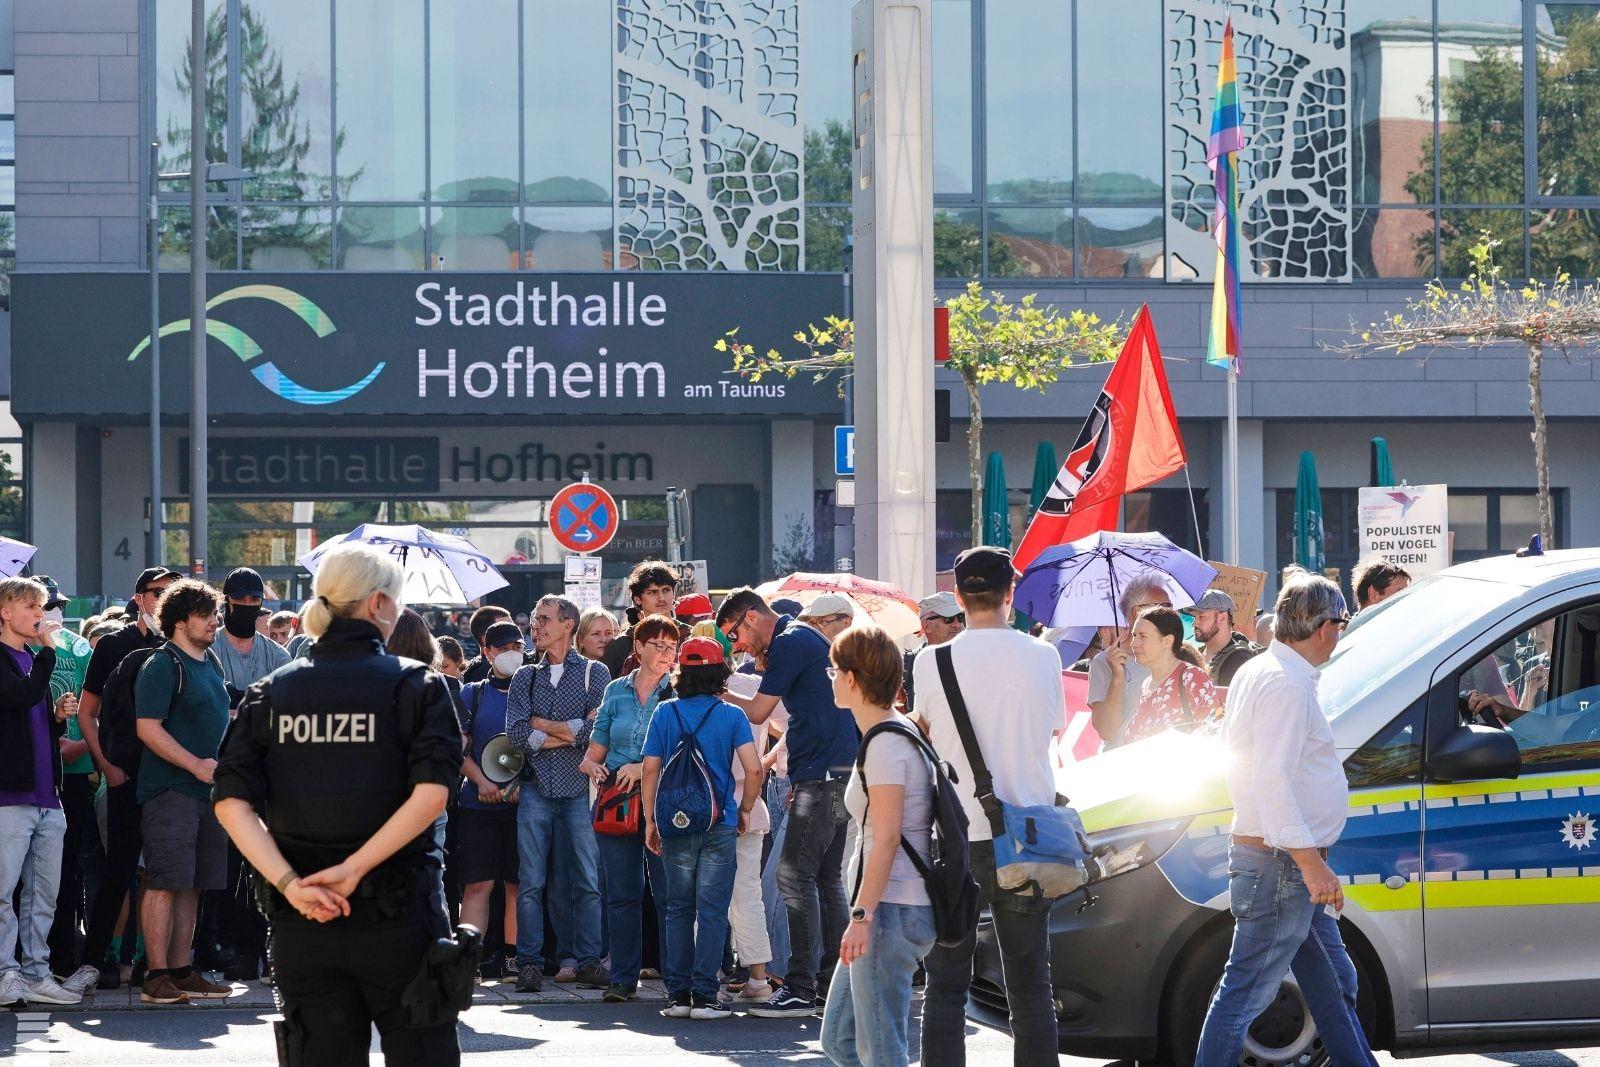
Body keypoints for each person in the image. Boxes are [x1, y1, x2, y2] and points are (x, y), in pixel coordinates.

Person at [213, 542, 467, 1065]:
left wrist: (288, 884)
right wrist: (352, 870)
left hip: (302, 919)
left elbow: (231, 803)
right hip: (400, 916)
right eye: (395, 602)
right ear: (377, 604)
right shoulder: (418, 685)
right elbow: (432, 795)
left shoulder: (268, 692)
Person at [1194, 575, 1376, 1067]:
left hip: (1285, 862)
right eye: (1340, 624)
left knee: (1336, 981)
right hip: (1281, 865)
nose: (1340, 634)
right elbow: (1271, 781)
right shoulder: (1285, 684)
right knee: (1244, 995)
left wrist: (1310, 862)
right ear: (1323, 627)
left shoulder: (1269, 671)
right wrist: (1311, 865)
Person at [915, 546, 1064, 1067]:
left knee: (946, 986)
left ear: (958, 597)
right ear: (1011, 593)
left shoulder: (931, 660)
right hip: (1027, 836)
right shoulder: (1044, 656)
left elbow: (926, 736)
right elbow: (1050, 731)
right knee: (1030, 988)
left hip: (957, 839)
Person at [718, 588, 860, 1018]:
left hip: (820, 774)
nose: (737, 646)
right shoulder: (802, 638)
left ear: (751, 617)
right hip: (836, 770)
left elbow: (758, 713)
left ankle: (801, 987)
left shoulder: (789, 641)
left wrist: (711, 688)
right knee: (825, 880)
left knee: (795, 879)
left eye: (735, 634)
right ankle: (831, 983)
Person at [820, 624, 937, 1067]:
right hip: (888, 908)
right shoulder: (894, 732)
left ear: (852, 679)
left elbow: (886, 837)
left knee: (882, 1051)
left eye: (833, 669)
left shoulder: (887, 742)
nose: (829, 677)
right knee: (840, 1041)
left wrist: (862, 916)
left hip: (888, 911)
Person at [641, 636, 759, 1021]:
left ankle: (677, 997)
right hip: (718, 820)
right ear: (719, 673)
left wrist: (650, 819)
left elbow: (649, 769)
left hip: (674, 822)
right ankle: (706, 997)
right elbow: (754, 769)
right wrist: (744, 809)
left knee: (677, 908)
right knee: (712, 910)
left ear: (682, 673)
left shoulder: (664, 713)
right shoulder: (731, 715)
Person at [133, 579, 234, 1005]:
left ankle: (181, 970)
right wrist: (195, 764)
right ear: (178, 622)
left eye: (216, 613)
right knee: (165, 882)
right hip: (170, 791)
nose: (215, 621)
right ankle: (156, 977)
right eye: (205, 615)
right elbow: (147, 728)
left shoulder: (210, 661)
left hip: (207, 792)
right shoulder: (161, 664)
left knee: (192, 884)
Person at [78, 566, 179, 990]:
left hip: (171, 777)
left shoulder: (183, 647)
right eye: (158, 592)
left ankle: (152, 962)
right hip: (124, 773)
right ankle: (94, 958)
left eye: (174, 592)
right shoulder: (115, 645)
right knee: (118, 871)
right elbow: (87, 712)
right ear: (139, 598)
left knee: (164, 873)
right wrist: (106, 765)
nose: (166, 599)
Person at [506, 595, 611, 993]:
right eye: (534, 619)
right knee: (530, 881)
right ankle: (530, 964)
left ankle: (588, 961)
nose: (536, 626)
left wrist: (541, 726)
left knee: (587, 880)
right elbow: (516, 734)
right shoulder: (524, 677)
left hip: (579, 792)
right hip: (535, 789)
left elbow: (594, 731)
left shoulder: (595, 673)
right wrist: (566, 730)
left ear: (568, 625)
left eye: (544, 619)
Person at [580, 614, 677, 1002]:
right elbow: (596, 746)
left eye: (671, 647)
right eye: (658, 644)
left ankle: (677, 981)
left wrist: (644, 766)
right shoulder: (616, 690)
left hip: (665, 799)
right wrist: (591, 764)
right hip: (617, 800)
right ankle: (623, 978)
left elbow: (687, 747)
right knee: (621, 894)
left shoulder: (678, 690)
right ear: (637, 647)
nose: (666, 653)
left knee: (669, 895)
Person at [0, 577, 84, 1007]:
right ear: (6, 612)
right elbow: (15, 698)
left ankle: (36, 972)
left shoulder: (33, 657)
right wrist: (50, 654)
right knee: (3, 891)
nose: (40, 613)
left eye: (42, 606)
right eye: (31, 605)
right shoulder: (18, 658)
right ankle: (5, 972)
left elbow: (28, 716)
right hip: (9, 796)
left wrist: (55, 717)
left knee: (43, 892)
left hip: (47, 794)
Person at [206, 567, 290, 981]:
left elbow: (282, 711)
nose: (246, 608)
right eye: (238, 602)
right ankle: (231, 946)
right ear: (226, 602)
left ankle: (267, 947)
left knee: (266, 865)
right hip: (214, 771)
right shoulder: (208, 647)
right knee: (220, 869)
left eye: (253, 602)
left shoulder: (277, 656)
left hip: (266, 774)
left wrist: (239, 704)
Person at [35, 575, 101, 985]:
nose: (54, 613)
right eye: (45, 605)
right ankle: (29, 959)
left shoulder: (79, 648)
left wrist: (80, 744)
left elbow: (93, 705)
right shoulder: (15, 648)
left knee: (67, 869)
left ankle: (63, 955)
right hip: (29, 776)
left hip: (72, 774)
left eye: (57, 604)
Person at [455, 621, 526, 985]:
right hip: (478, 803)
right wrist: (480, 781)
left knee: (516, 883)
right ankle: (471, 956)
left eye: (517, 644)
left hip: (520, 803)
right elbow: (458, 746)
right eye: (502, 647)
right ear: (487, 652)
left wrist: (519, 785)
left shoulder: (532, 690)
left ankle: (514, 957)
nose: (511, 651)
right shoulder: (472, 694)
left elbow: (539, 745)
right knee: (478, 884)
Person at [1087, 576, 1172, 748]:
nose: (1171, 613)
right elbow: (1107, 731)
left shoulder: (1175, 653)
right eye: (1163, 607)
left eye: (1170, 607)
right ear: (1137, 612)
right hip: (1121, 764)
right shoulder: (1106, 661)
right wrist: (1117, 678)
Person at [1122, 606, 1221, 744]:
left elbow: (1213, 732)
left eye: (1143, 636)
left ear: (1168, 641)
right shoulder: (1146, 684)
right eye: (1134, 635)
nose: (1134, 643)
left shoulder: (1192, 677)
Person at [602, 561, 678, 678]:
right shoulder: (622, 644)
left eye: (666, 590)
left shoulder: (689, 635)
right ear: (638, 599)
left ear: (674, 593)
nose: (662, 598)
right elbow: (610, 691)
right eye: (652, 592)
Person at [900, 592, 965, 711]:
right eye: (948, 619)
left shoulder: (972, 662)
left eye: (961, 617)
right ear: (926, 626)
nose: (957, 625)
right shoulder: (905, 667)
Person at [1184, 590, 1262, 688]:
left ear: (1223, 618)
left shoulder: (1240, 660)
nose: (1194, 623)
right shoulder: (1194, 655)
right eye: (1194, 617)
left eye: (1201, 616)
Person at [461, 605, 514, 685]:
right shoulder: (485, 672)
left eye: (513, 629)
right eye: (506, 631)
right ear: (486, 639)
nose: (515, 634)